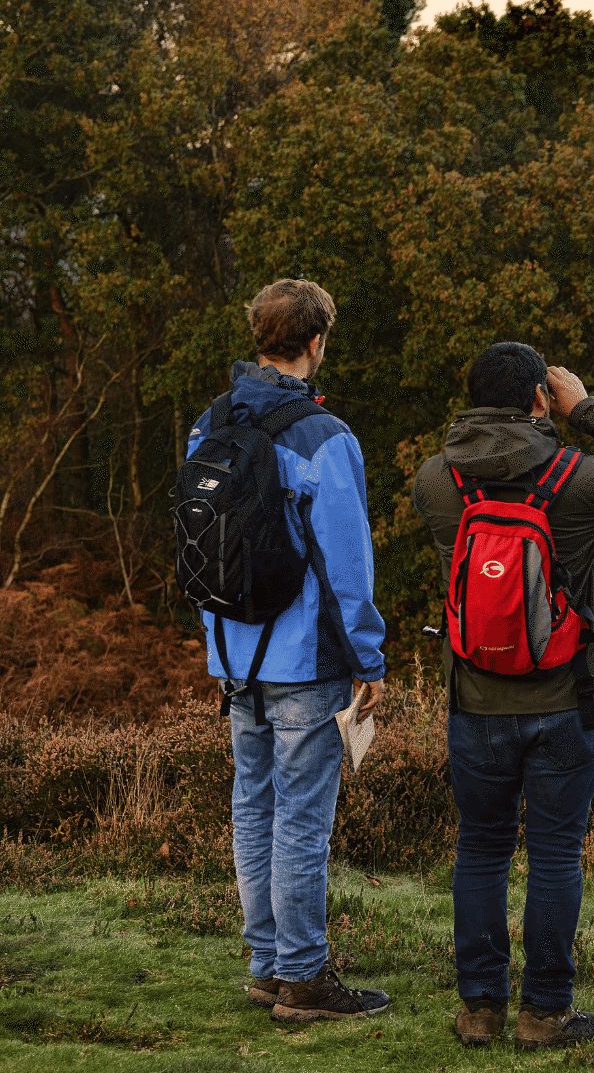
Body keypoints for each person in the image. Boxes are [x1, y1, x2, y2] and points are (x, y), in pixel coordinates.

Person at [411, 342, 594, 1049]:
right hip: (568, 697)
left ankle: (479, 1011)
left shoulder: (437, 481)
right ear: (538, 398)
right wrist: (586, 409)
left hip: (475, 700)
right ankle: (545, 1014)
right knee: (556, 852)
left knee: (481, 849)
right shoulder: (576, 480)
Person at [186, 278, 390, 1021]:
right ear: (316, 342)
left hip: (234, 652)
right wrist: (369, 658)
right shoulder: (324, 436)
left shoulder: (207, 425)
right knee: (302, 816)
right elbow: (347, 563)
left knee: (254, 805)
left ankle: (269, 963)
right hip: (304, 658)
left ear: (260, 337)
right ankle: (305, 979)